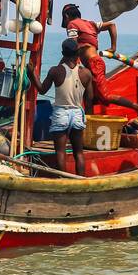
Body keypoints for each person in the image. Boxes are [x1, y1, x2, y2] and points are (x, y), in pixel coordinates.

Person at [26, 37, 94, 176]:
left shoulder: (55, 71)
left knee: (61, 152)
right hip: (76, 114)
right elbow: (90, 99)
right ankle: (80, 181)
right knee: (78, 153)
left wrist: (31, 74)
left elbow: (42, 89)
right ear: (78, 53)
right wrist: (87, 116)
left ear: (62, 52)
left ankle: (63, 180)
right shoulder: (86, 73)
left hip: (61, 113)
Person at [75, 39, 138, 127]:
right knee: (89, 99)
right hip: (91, 64)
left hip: (94, 64)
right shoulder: (87, 29)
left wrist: (113, 47)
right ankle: (89, 129)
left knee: (105, 96)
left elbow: (111, 25)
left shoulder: (75, 26)